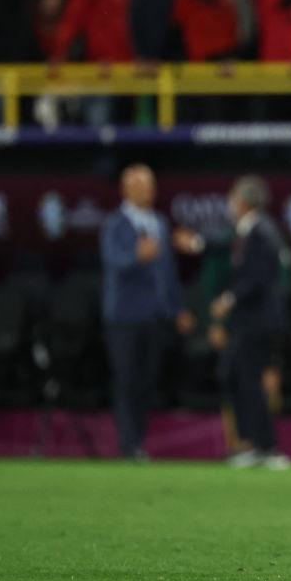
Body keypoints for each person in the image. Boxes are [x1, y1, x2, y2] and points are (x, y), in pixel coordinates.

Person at [100, 165, 194, 460]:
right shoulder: (116, 224)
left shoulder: (159, 223)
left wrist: (178, 309)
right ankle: (128, 444)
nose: (149, 190)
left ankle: (137, 441)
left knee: (147, 382)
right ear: (127, 190)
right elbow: (112, 261)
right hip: (123, 317)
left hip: (154, 316)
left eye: (151, 184)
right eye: (142, 185)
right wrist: (135, 257)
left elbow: (167, 274)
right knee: (126, 380)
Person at [210, 176, 291, 471]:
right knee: (237, 376)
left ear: (243, 202)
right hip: (250, 322)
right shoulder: (253, 230)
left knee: (251, 382)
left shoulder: (260, 231)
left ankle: (265, 447)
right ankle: (254, 443)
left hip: (256, 322)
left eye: (233, 198)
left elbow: (256, 279)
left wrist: (227, 300)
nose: (230, 204)